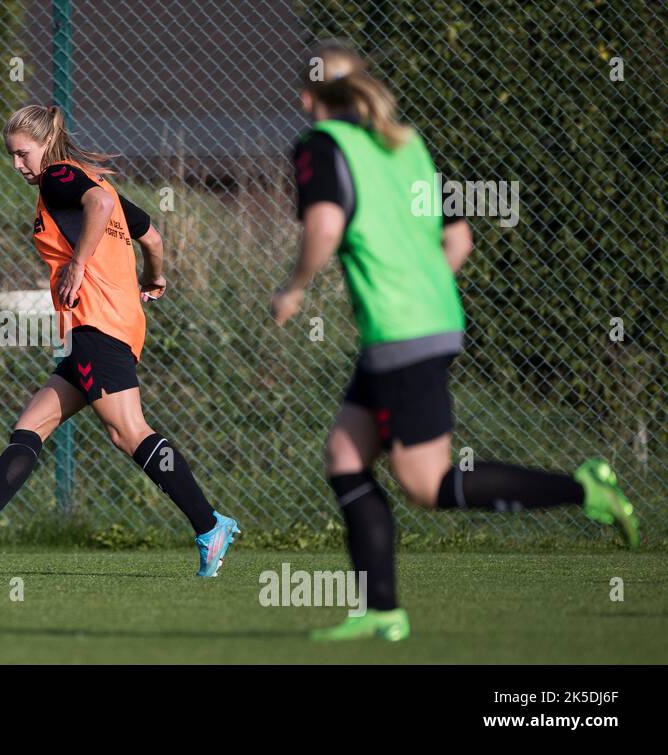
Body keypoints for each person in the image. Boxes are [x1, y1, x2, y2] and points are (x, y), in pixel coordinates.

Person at [274, 41, 639, 641]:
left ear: (308, 97)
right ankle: (382, 610)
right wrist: (421, 290)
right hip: (427, 319)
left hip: (400, 330)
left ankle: (586, 490)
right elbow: (460, 237)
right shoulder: (404, 144)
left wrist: (293, 288)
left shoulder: (321, 146)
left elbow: (325, 225)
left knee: (427, 483)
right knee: (345, 454)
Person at [0, 105, 242, 577]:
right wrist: (155, 278)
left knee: (129, 433)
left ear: (46, 146)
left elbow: (100, 211)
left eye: (22, 154)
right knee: (30, 429)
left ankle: (209, 526)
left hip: (97, 328)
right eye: (11, 156)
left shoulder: (59, 176)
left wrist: (79, 264)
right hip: (106, 329)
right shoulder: (95, 183)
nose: (17, 165)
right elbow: (154, 237)